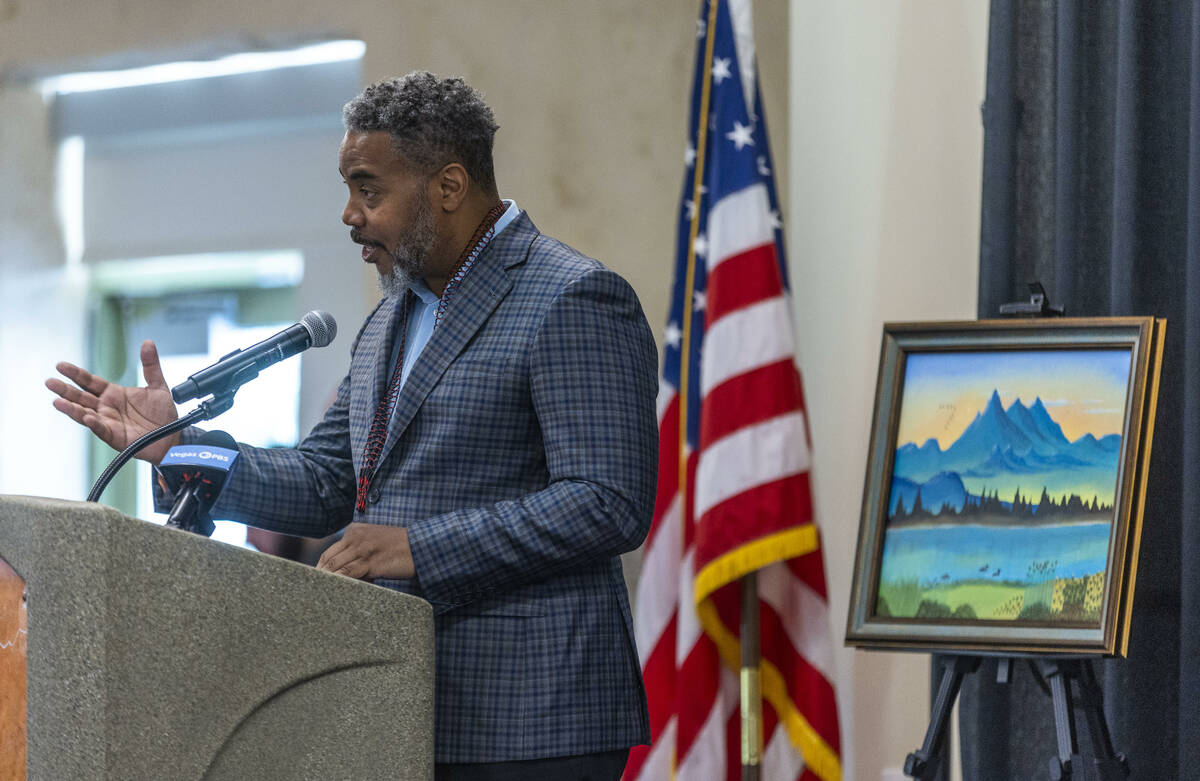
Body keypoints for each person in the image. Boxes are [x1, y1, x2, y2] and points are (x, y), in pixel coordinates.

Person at [47, 71, 658, 780]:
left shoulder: (570, 296)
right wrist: (178, 448)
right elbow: (322, 482)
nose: (349, 214)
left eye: (369, 190)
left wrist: (416, 548)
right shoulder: (390, 320)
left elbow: (607, 501)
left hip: (531, 717)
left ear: (449, 187)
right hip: (396, 700)